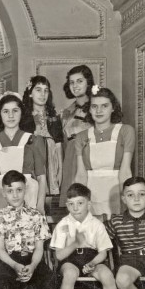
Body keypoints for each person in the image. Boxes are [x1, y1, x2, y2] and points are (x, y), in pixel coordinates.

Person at [51, 183, 116, 289]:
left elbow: (103, 252)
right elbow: (59, 255)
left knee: (107, 275)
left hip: (92, 258)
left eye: (80, 203)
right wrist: (74, 244)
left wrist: (93, 263)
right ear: (67, 205)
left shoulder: (96, 224)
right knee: (70, 274)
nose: (75, 208)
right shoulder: (63, 225)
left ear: (89, 204)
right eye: (71, 204)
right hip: (70, 260)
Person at [74, 86, 134, 218]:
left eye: (104, 106)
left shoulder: (125, 131)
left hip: (116, 194)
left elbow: (125, 171)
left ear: (113, 108)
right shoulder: (81, 137)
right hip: (91, 195)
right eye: (94, 106)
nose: (99, 110)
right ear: (89, 109)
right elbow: (81, 175)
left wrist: (127, 202)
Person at [0, 91, 47, 214]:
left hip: (29, 196)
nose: (10, 115)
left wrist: (40, 206)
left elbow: (41, 177)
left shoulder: (34, 140)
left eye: (15, 111)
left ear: (22, 113)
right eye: (6, 111)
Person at [23, 75, 64, 196]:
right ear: (30, 93)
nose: (43, 94)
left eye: (46, 90)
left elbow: (58, 144)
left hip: (51, 159)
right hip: (33, 158)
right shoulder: (24, 117)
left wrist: (60, 169)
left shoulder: (53, 117)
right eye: (38, 90)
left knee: (49, 193)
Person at [59, 65, 94, 206]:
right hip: (70, 159)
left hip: (89, 157)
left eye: (80, 81)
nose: (75, 85)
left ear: (88, 82)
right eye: (72, 82)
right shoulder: (66, 113)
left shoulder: (97, 107)